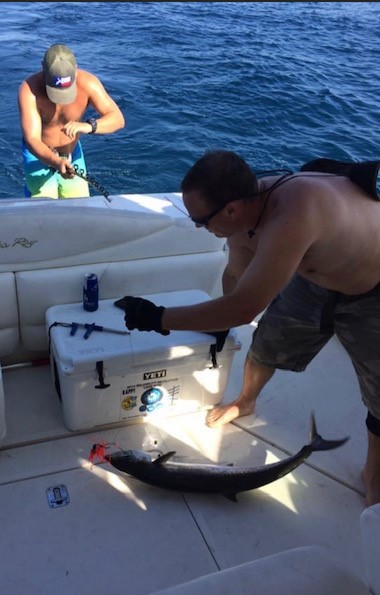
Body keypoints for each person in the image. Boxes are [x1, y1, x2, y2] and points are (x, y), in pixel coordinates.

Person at [113, 149, 380, 507]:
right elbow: (236, 278)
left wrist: (157, 318)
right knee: (265, 347)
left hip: (371, 289)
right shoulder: (245, 215)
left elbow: (243, 308)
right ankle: (246, 401)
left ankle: (374, 476)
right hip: (316, 277)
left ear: (231, 209)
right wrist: (219, 328)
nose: (199, 227)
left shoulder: (291, 216)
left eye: (200, 221)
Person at [18, 43, 125, 199]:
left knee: (79, 206)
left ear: (76, 68)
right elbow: (32, 139)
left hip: (71, 155)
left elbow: (118, 119)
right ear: (43, 68)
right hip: (38, 156)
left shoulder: (89, 83)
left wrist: (89, 126)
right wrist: (56, 162)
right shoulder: (28, 90)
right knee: (43, 210)